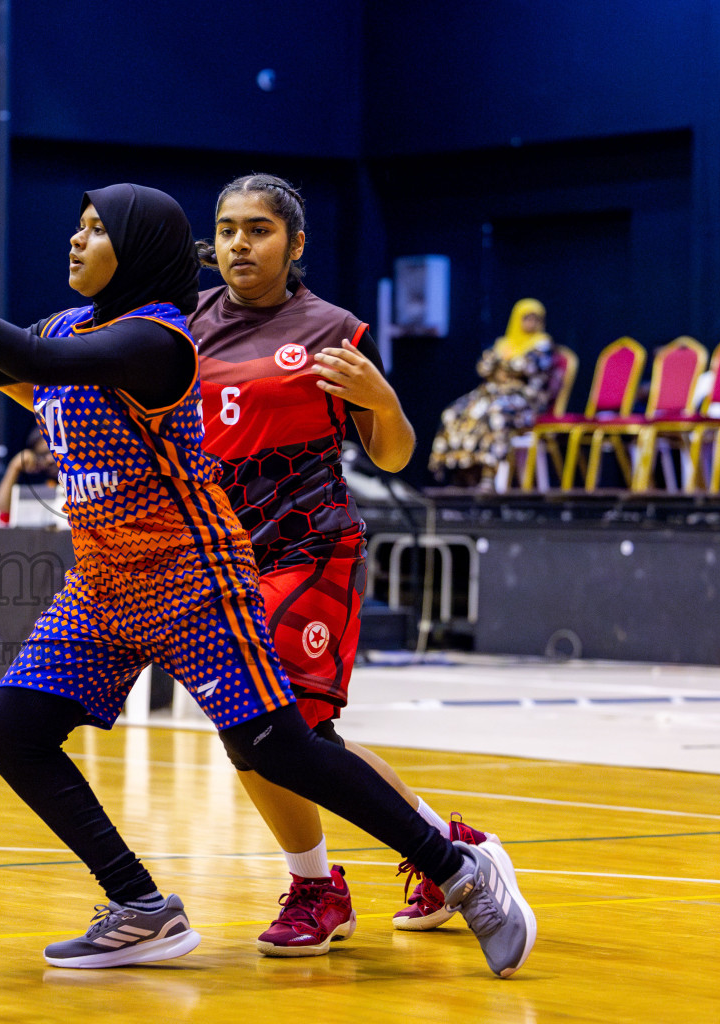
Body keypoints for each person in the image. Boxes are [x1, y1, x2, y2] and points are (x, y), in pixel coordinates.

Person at [0, 182, 534, 977]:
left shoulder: (160, 341)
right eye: (78, 225)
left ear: (137, 250)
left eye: (97, 230)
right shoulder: (67, 324)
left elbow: (28, 361)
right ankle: (139, 907)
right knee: (13, 734)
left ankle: (457, 870)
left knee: (279, 747)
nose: (75, 240)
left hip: (193, 579)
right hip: (102, 584)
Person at [190, 172, 500, 955]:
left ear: (295, 246)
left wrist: (386, 402)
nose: (238, 244)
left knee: (280, 724)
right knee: (268, 734)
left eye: (257, 230)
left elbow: (393, 455)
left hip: (309, 548)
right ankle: (438, 841)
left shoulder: (332, 331)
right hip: (222, 562)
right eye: (227, 229)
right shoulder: (184, 325)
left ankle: (319, 888)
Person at [428, 299, 557, 487]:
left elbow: (527, 367)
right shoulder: (505, 343)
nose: (530, 323)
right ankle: (462, 471)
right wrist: (503, 361)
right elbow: (483, 367)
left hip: (525, 402)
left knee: (495, 413)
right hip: (492, 394)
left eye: (535, 319)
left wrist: (503, 361)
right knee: (455, 412)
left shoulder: (542, 344)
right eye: (526, 318)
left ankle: (489, 475)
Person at [0, 427, 59, 518]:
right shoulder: (34, 478)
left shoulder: (79, 474)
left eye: (54, 452)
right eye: (43, 455)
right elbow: (1, 513)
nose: (49, 460)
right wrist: (14, 468)